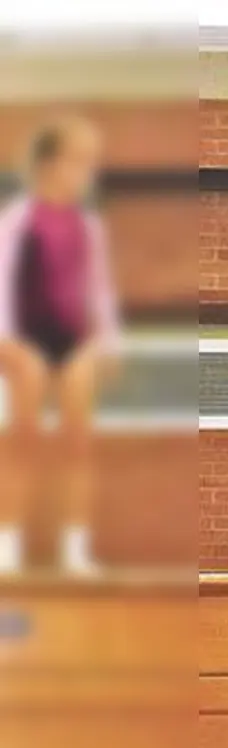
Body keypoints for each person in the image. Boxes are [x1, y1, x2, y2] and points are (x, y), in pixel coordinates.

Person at [0, 116, 119, 574]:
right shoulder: (19, 219)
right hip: (25, 339)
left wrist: (103, 341)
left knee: (77, 445)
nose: (86, 171)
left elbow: (97, 287)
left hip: (74, 341)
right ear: (49, 164)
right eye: (78, 161)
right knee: (22, 443)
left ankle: (75, 549)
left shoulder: (87, 225)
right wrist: (10, 344)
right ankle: (10, 547)